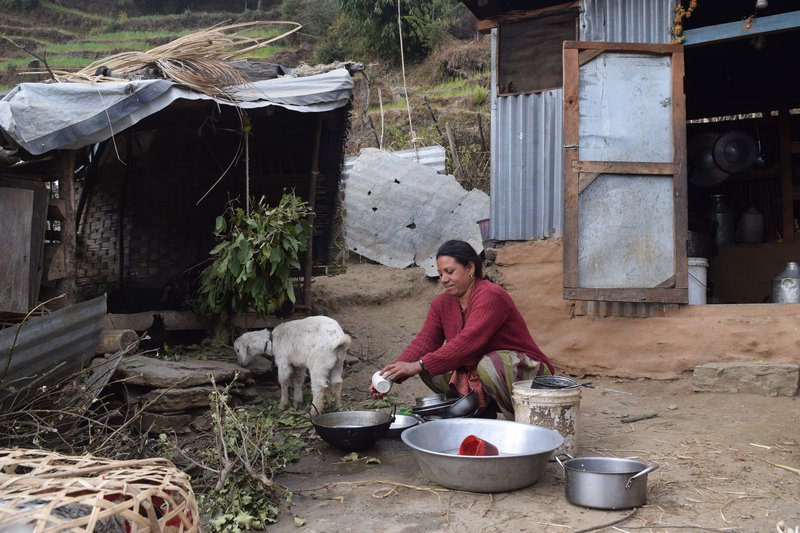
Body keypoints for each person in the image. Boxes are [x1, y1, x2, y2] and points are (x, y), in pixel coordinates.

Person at [370, 239, 554, 419]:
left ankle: (522, 420)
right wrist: (390, 375)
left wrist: (419, 364)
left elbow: (468, 342)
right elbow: (425, 341)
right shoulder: (441, 304)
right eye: (441, 273)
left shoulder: (491, 295)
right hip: (486, 371)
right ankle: (478, 413)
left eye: (450, 272)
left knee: (489, 364)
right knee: (427, 365)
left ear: (471, 268)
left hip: (526, 374)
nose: (444, 279)